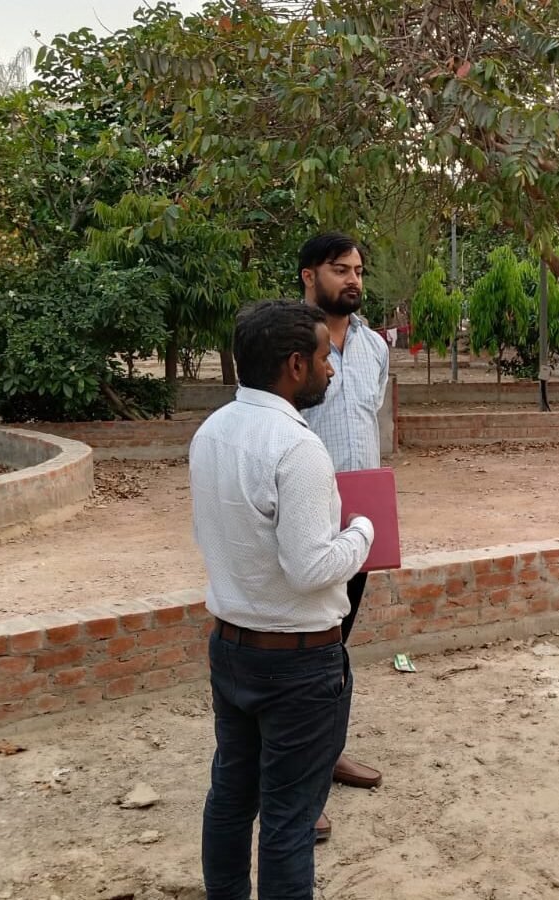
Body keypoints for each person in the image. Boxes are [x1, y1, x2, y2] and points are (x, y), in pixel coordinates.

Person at [190, 300, 375, 900]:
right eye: (325, 358)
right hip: (297, 663)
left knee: (230, 797)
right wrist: (363, 532)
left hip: (232, 647)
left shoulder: (212, 431)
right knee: (289, 821)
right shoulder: (298, 448)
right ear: (296, 364)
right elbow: (310, 567)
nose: (332, 370)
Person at [297, 232, 392, 834]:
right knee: (303, 649)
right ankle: (299, 783)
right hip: (303, 514)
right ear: (309, 275)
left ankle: (325, 754)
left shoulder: (375, 346)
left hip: (357, 514)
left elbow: (368, 416)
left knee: (336, 643)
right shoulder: (285, 341)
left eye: (359, 269)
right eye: (340, 269)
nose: (353, 280)